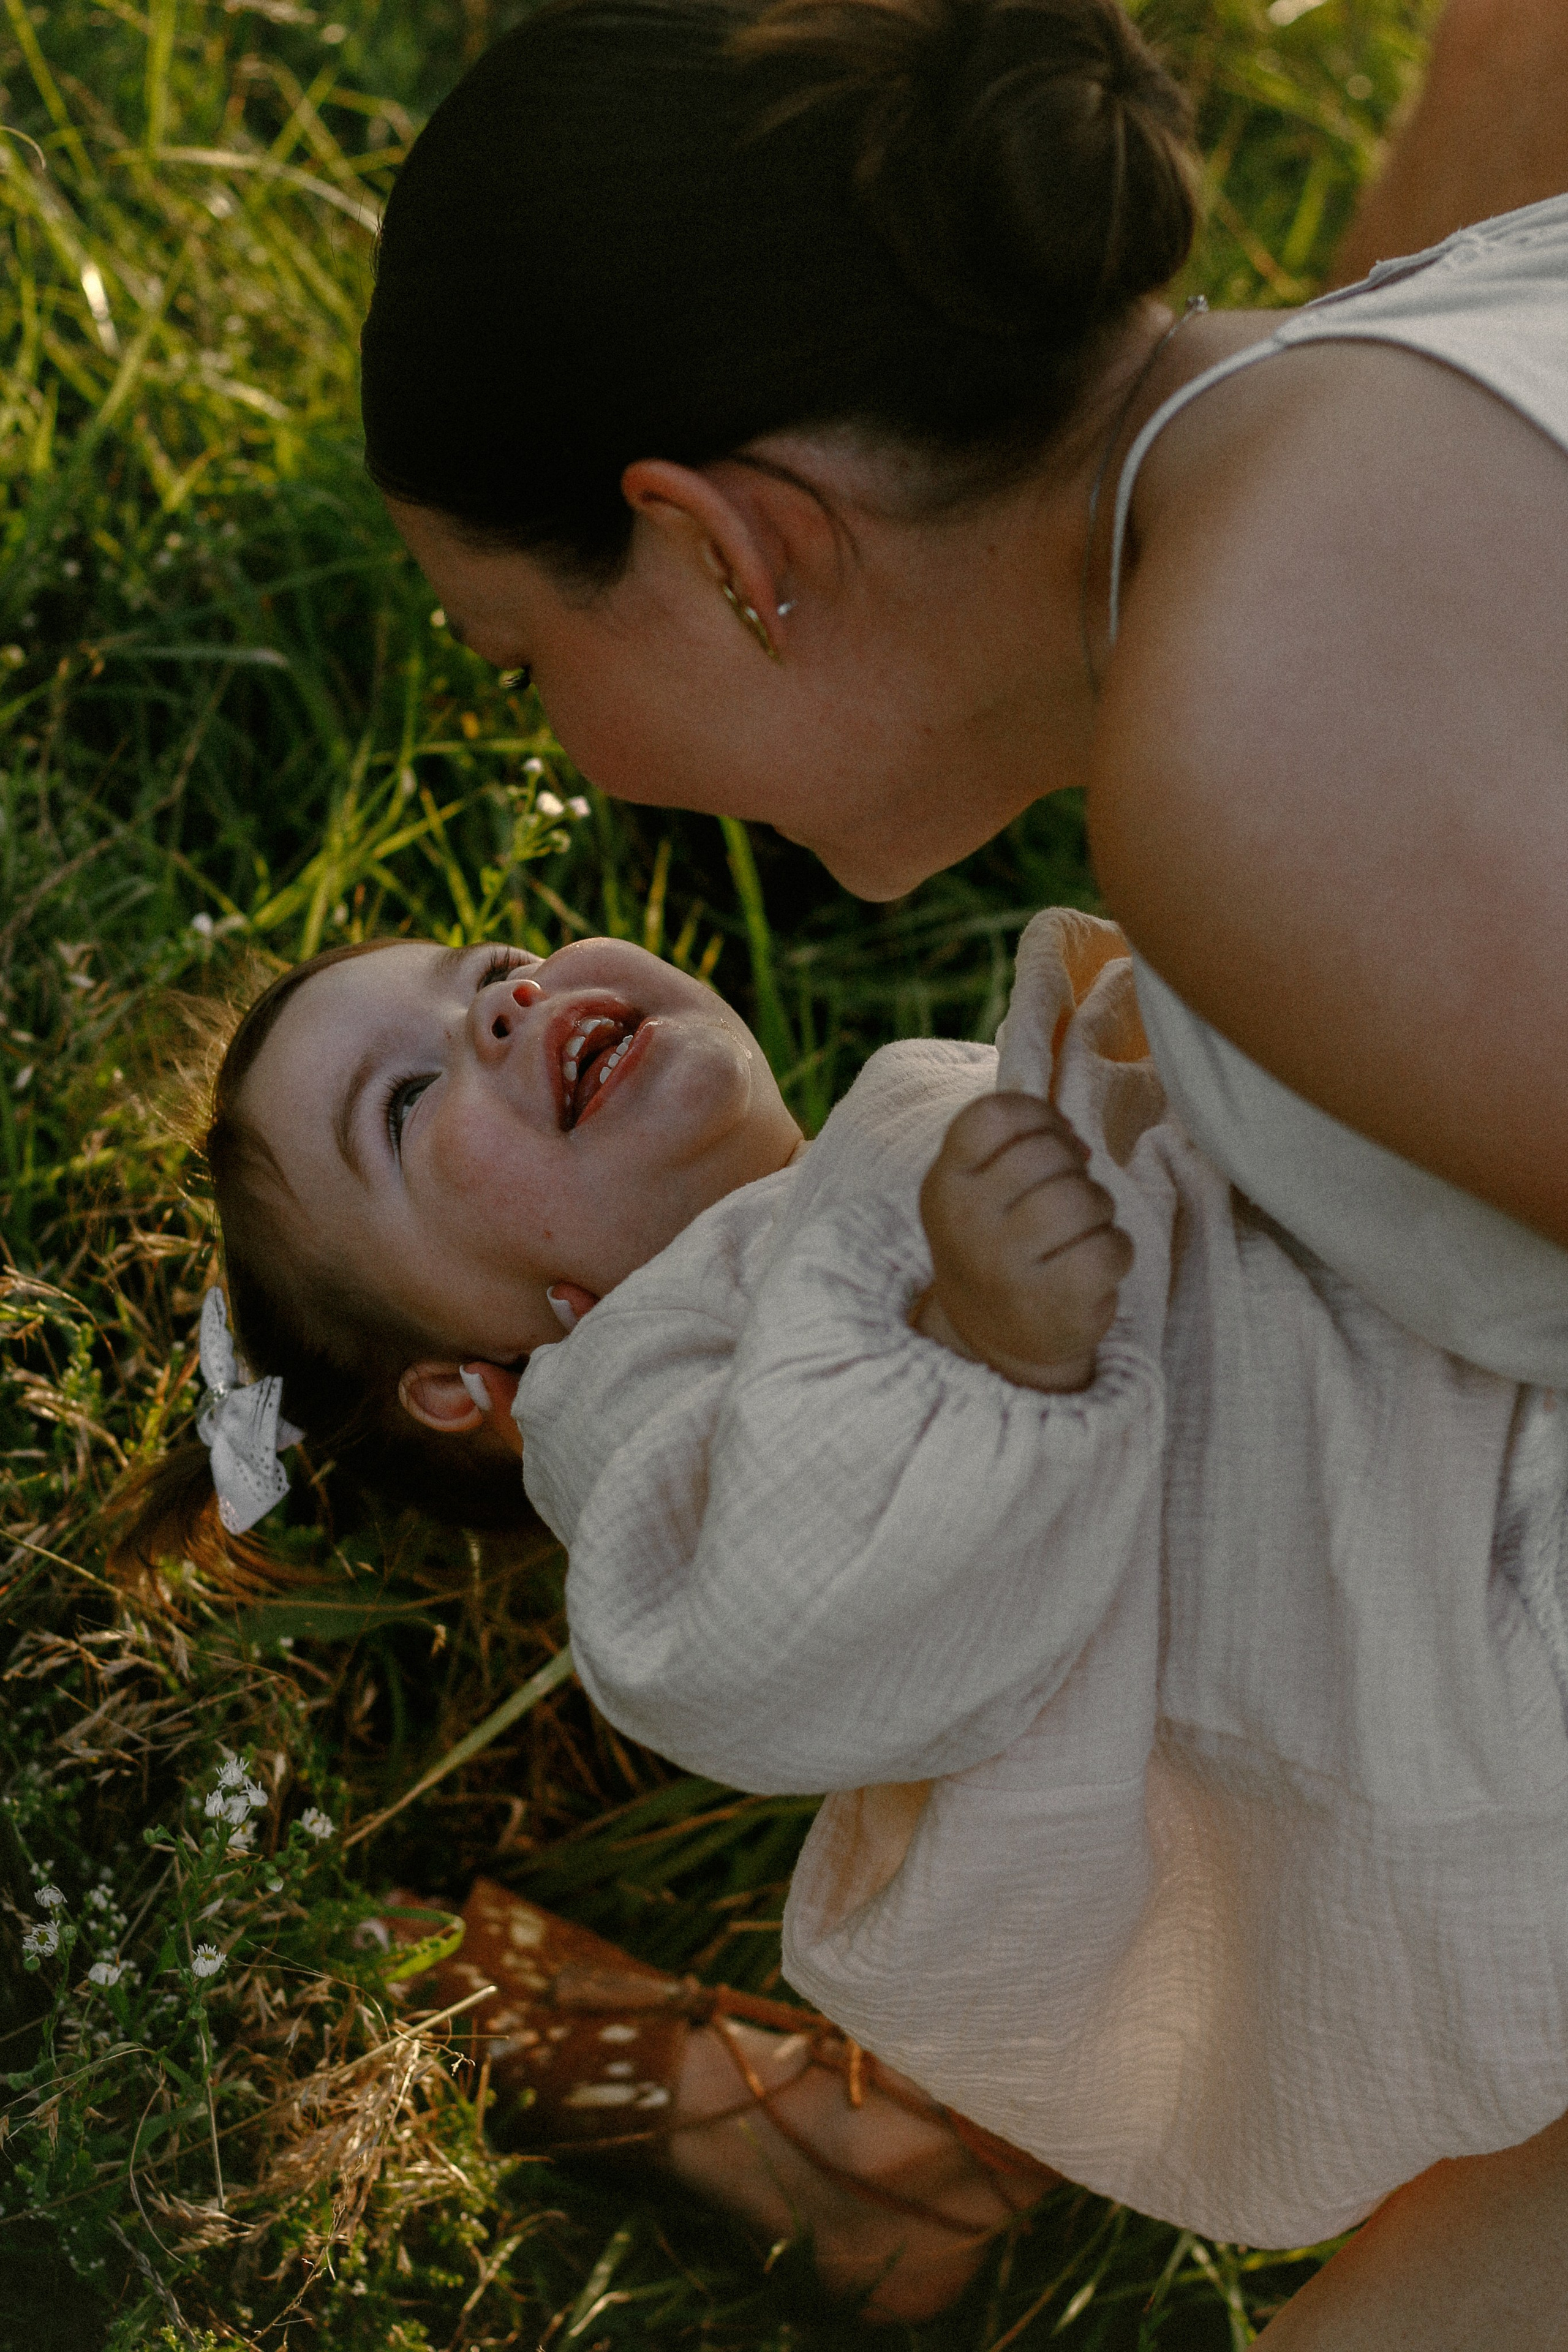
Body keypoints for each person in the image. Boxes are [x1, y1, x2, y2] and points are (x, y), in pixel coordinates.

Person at [355, 0, 1568, 2329]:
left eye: (515, 660)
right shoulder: (1423, 354)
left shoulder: (1250, 745)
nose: (572, 757)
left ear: (724, 546)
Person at [120, 910, 1568, 2324]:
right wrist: (981, 1361)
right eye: (410, 1099)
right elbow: (776, 1616)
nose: (499, 1007)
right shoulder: (632, 1411)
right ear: (470, 1384)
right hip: (1478, 1681)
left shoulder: (828, 1207)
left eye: (493, 967)